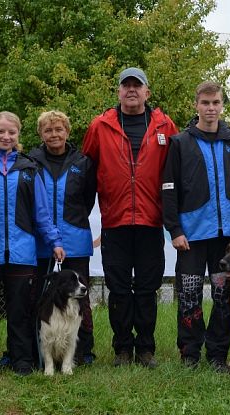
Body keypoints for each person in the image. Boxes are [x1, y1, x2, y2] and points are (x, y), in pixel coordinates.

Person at [82, 67, 178, 368]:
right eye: (126, 85)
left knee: (148, 289)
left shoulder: (165, 125)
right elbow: (86, 171)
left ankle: (146, 349)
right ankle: (123, 348)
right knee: (119, 289)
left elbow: (175, 173)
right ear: (119, 91)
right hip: (115, 221)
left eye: (138, 86)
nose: (132, 90)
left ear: (147, 92)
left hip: (151, 222)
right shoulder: (100, 126)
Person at [0, 111, 65, 382]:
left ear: (19, 135)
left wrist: (54, 241)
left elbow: (41, 212)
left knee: (20, 310)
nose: (6, 137)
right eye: (0, 132)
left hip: (22, 251)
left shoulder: (29, 168)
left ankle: (21, 360)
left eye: (12, 132)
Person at [162, 81, 230, 373]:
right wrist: (175, 230)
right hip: (191, 235)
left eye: (215, 103)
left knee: (223, 296)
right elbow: (168, 189)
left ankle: (216, 354)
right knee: (189, 296)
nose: (210, 108)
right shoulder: (180, 142)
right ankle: (189, 354)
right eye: (205, 103)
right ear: (196, 105)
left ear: (222, 105)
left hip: (226, 237)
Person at [29, 110, 97, 366]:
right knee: (37, 296)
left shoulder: (83, 162)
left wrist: (72, 221)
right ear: (41, 134)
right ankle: (37, 351)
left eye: (59, 129)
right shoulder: (31, 161)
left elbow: (88, 198)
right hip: (40, 242)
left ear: (67, 132)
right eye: (48, 130)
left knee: (81, 298)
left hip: (75, 239)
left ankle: (83, 351)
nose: (54, 134)